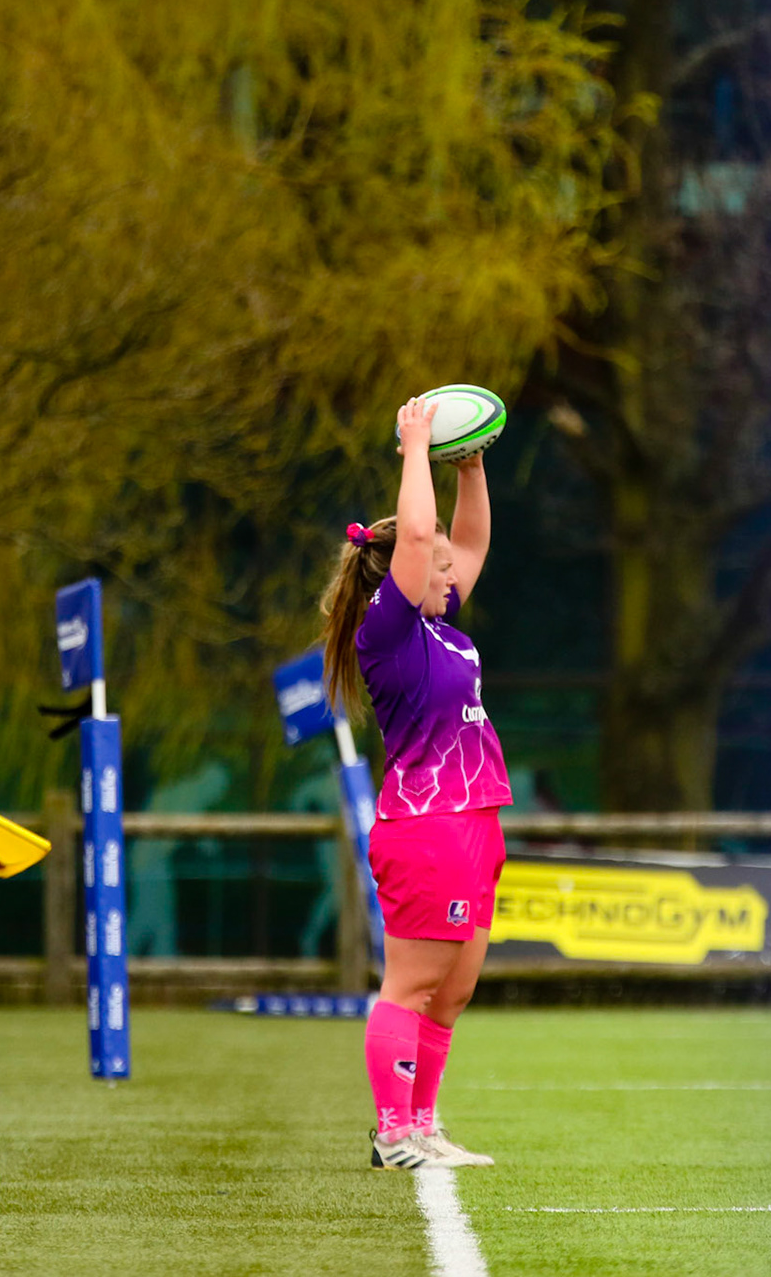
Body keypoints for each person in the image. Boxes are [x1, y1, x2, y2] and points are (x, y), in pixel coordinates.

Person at [319, 396, 510, 1171]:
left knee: (455, 989)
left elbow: (464, 539)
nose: (450, 572)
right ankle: (393, 1132)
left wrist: (470, 466)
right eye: (436, 568)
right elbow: (427, 537)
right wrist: (417, 445)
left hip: (473, 819)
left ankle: (422, 1125)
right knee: (412, 983)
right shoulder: (387, 631)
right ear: (403, 573)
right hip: (426, 825)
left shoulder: (437, 620)